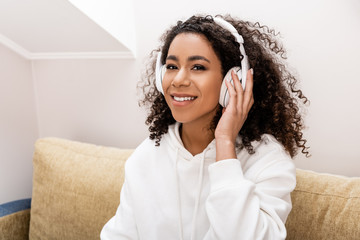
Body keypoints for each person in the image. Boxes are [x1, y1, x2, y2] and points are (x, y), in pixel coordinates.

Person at [101, 14, 309, 240]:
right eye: (171, 66)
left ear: (234, 80)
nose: (178, 79)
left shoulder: (267, 160)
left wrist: (225, 142)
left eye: (198, 67)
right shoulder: (145, 157)